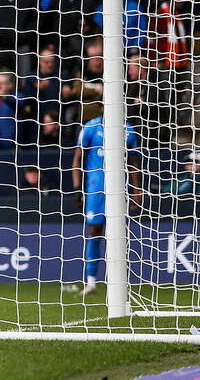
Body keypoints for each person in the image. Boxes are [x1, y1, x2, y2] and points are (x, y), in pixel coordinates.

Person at [72, 104, 140, 297]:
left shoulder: (128, 130)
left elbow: (133, 163)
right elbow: (77, 158)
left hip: (119, 189)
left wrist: (136, 191)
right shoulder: (90, 128)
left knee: (117, 234)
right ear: (102, 108)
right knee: (94, 231)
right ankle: (91, 282)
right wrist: (77, 188)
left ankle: (117, 282)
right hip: (95, 188)